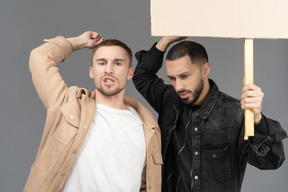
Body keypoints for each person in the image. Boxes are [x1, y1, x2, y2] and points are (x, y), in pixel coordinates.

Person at [132, 36, 287, 192]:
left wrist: (257, 119)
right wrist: (164, 42)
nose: (178, 86)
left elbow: (271, 161)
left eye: (184, 76)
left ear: (205, 70)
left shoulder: (235, 114)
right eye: (172, 78)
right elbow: (142, 76)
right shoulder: (169, 100)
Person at [24, 31, 162, 192]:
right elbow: (39, 57)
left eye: (118, 63)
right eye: (102, 63)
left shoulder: (147, 127)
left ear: (130, 73)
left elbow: (146, 185)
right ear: (91, 71)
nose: (108, 70)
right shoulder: (68, 104)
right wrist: (78, 42)